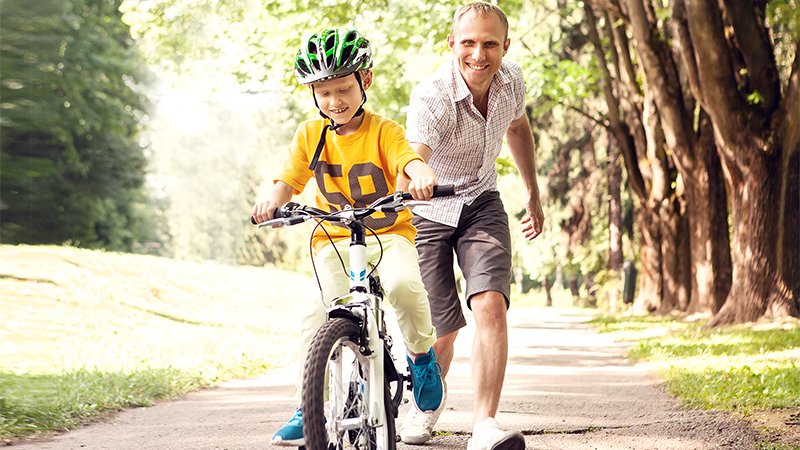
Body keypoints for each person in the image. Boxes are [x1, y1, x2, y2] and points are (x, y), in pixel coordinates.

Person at [250, 28, 444, 446]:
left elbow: (406, 159)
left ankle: (423, 358)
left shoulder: (383, 130)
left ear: (365, 82)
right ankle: (310, 405)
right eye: (323, 93)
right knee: (314, 316)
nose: (334, 101)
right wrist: (272, 200)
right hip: (334, 241)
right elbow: (288, 179)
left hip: (386, 233)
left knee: (403, 286)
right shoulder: (309, 135)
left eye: (343, 89)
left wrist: (420, 174)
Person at [399, 3, 544, 450]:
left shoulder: (511, 81)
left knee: (490, 305)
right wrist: (417, 173)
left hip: (481, 202)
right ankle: (425, 409)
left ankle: (484, 424)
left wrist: (532, 191)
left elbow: (518, 129)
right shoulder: (433, 96)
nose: (478, 54)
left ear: (505, 45)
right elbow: (413, 156)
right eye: (468, 42)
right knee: (441, 330)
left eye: (489, 44)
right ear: (451, 43)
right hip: (428, 212)